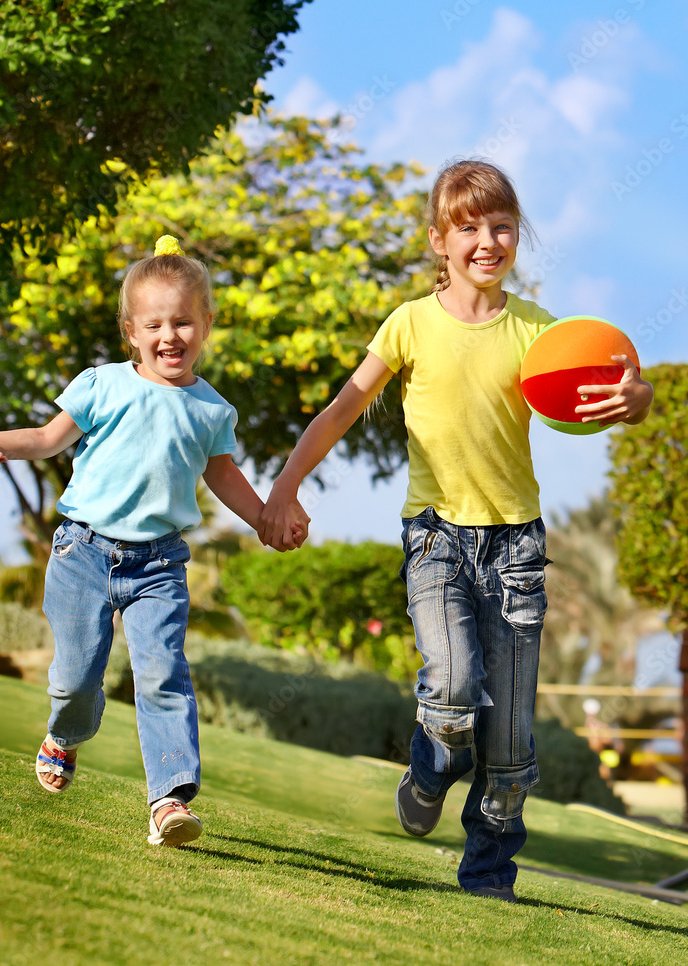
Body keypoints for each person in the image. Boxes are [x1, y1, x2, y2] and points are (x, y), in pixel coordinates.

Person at [259, 160, 653, 900]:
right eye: (468, 227)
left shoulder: (537, 327)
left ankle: (489, 879)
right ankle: (431, 763)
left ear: (517, 236)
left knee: (509, 747)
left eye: (501, 225)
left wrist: (638, 396)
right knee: (452, 683)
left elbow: (609, 390)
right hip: (437, 535)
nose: (487, 240)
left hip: (518, 548)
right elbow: (342, 408)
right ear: (439, 240)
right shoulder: (409, 323)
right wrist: (285, 484)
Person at [0, 235, 304, 848]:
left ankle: (169, 800)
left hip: (159, 565)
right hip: (82, 554)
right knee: (74, 678)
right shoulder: (102, 385)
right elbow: (48, 438)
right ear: (131, 332)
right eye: (154, 325)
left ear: (207, 325)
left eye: (184, 322)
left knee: (163, 675)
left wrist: (265, 518)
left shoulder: (211, 411)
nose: (169, 336)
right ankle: (65, 734)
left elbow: (223, 475)